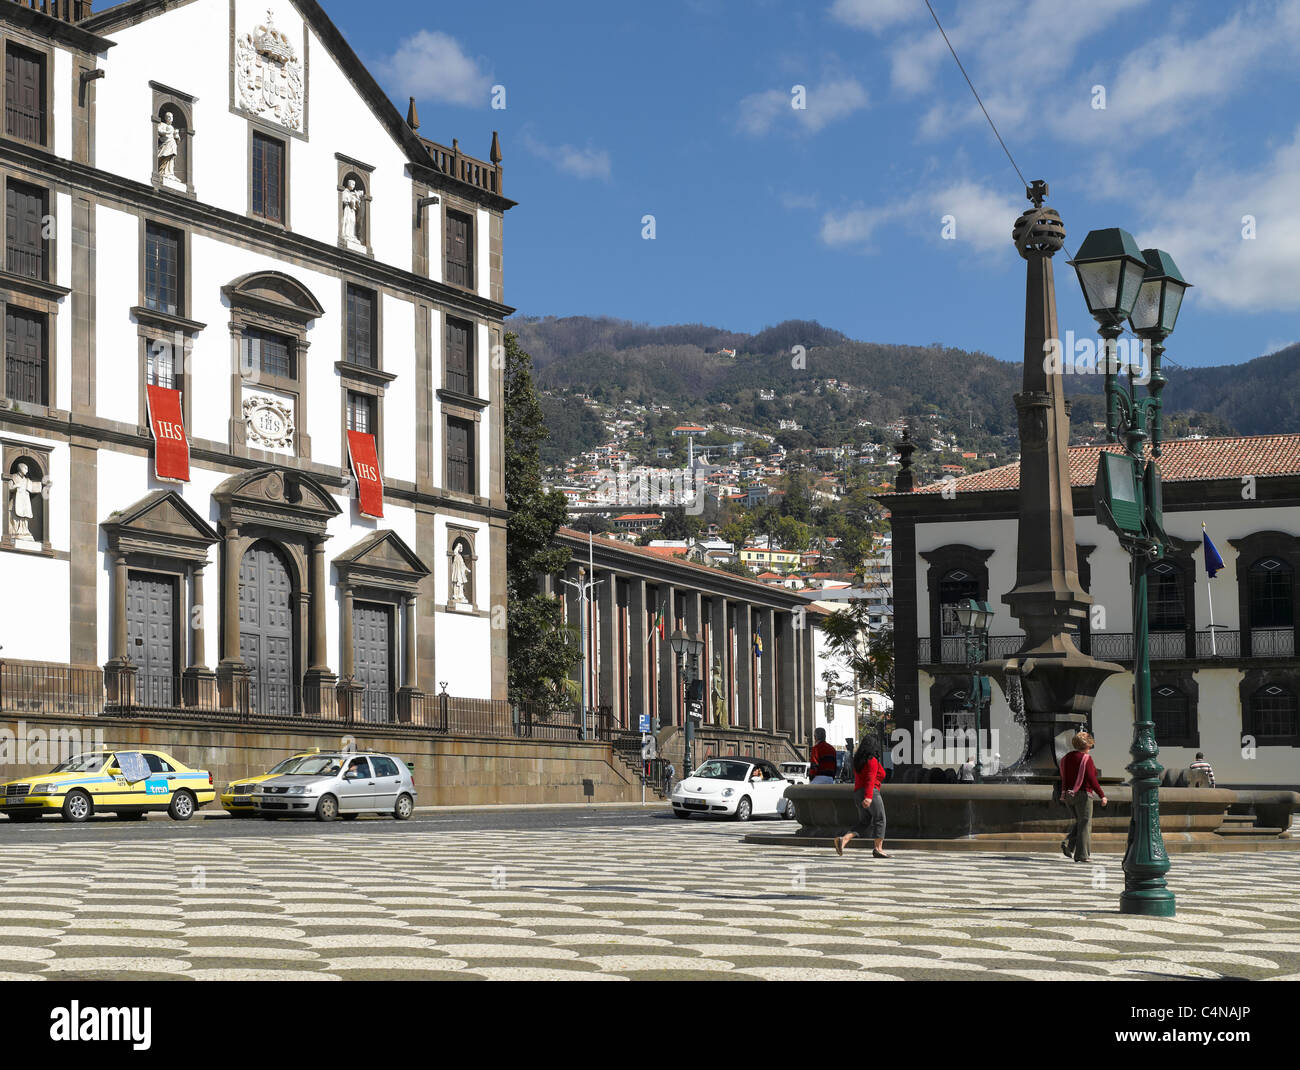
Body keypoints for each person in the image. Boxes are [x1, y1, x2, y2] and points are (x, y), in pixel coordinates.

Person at [832, 736, 889, 858]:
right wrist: (868, 797)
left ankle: (844, 840)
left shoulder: (858, 761)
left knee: (864, 822)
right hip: (871, 792)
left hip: (858, 793)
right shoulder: (872, 760)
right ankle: (878, 848)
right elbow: (870, 779)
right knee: (880, 819)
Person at [1058, 731, 1107, 862]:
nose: (1091, 748)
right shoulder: (1086, 759)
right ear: (1087, 745)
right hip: (1083, 794)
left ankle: (1068, 845)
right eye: (1090, 745)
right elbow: (1092, 779)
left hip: (1068, 795)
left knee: (1080, 822)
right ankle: (1082, 855)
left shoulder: (1066, 758)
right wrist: (1102, 795)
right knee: (1085, 824)